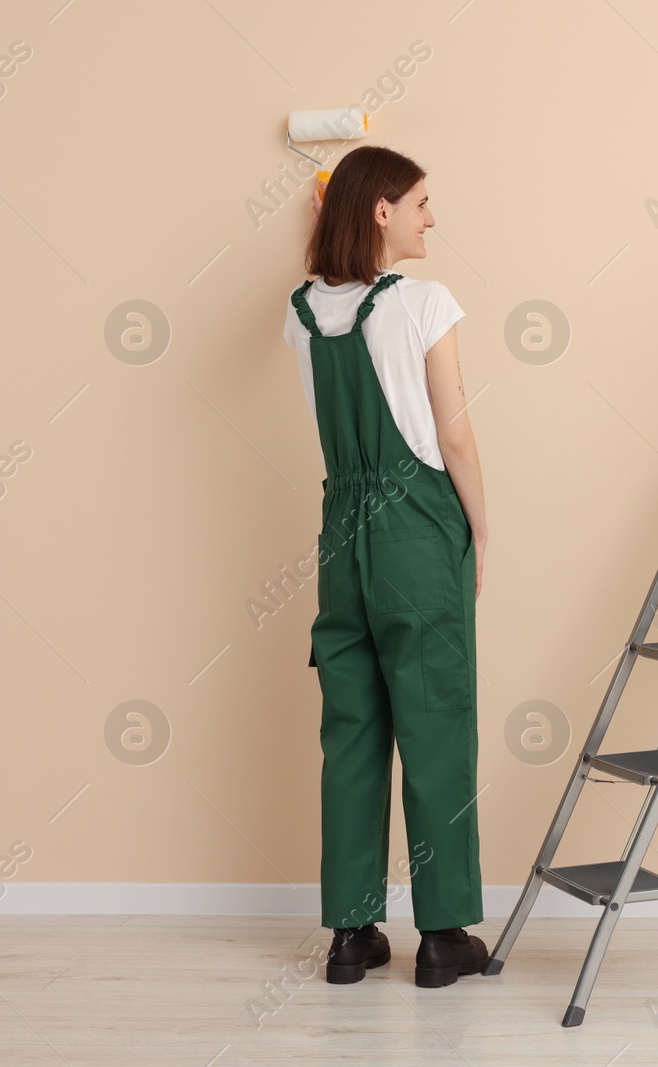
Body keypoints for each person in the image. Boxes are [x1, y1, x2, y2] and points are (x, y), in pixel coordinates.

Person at [282, 144, 491, 988]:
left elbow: (337, 289)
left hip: (341, 530)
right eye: (419, 203)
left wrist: (324, 199)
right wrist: (481, 528)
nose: (431, 217)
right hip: (416, 525)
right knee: (436, 721)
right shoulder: (423, 302)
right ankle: (441, 936)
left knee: (353, 730)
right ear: (379, 211)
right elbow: (455, 433)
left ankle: (350, 933)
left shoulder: (296, 312)